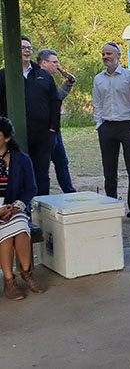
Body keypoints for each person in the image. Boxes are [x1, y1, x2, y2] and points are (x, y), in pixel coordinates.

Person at [0, 37, 60, 196]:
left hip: (42, 134)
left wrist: (53, 128)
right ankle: (19, 209)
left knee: (41, 174)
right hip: (14, 136)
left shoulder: (43, 75)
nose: (27, 50)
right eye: (22, 47)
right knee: (16, 173)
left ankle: (41, 208)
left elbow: (55, 101)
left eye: (29, 48)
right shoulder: (3, 75)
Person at [93, 42, 130, 220]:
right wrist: (99, 124)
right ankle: (111, 205)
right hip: (107, 126)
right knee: (109, 169)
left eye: (109, 54)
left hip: (126, 126)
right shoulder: (98, 79)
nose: (106, 57)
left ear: (118, 56)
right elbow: (97, 103)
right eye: (103, 54)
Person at [0, 117, 46, 300]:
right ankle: (9, 282)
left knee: (21, 228)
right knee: (5, 236)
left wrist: (18, 205)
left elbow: (31, 188)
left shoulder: (21, 160)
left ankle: (26, 273)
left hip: (14, 206)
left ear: (6, 139)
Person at [37, 49, 77, 193]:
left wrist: (68, 84)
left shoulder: (48, 78)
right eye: (54, 62)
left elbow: (56, 98)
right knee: (43, 166)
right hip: (43, 129)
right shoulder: (37, 78)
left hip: (55, 128)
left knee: (62, 162)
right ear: (44, 63)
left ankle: (70, 193)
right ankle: (42, 198)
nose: (57, 65)